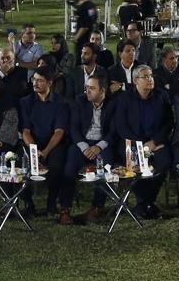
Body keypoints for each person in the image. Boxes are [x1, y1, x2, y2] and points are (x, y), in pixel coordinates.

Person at [112, 64, 172, 218]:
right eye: (145, 77)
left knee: (163, 162)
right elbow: (121, 126)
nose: (150, 79)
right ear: (135, 80)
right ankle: (146, 204)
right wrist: (141, 145)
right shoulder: (124, 99)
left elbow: (169, 122)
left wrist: (154, 142)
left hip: (156, 142)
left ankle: (144, 203)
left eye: (151, 76)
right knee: (136, 166)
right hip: (132, 143)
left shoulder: (161, 96)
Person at [19, 68, 71, 221]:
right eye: (34, 79)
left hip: (53, 143)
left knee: (56, 165)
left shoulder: (61, 103)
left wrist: (46, 151)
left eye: (40, 80)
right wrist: (35, 152)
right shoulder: (25, 102)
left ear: (50, 83)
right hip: (31, 143)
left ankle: (51, 202)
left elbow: (59, 131)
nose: (35, 83)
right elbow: (25, 130)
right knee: (21, 168)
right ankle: (28, 204)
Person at [67, 74, 118, 222]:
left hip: (102, 144)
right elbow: (74, 128)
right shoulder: (80, 101)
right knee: (69, 164)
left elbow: (113, 131)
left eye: (92, 88)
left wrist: (99, 147)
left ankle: (96, 208)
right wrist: (84, 147)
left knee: (105, 167)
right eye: (86, 88)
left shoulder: (113, 104)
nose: (87, 91)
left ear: (102, 90)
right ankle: (65, 208)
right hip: (82, 142)